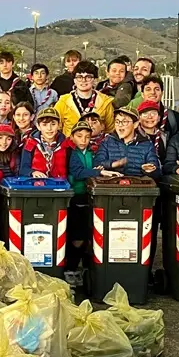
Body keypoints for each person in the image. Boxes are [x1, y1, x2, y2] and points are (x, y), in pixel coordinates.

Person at [64, 122, 100, 287]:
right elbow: (77, 172)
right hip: (76, 196)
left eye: (87, 137)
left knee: (89, 235)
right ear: (72, 137)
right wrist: (97, 171)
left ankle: (86, 268)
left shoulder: (93, 152)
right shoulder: (70, 152)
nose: (83, 140)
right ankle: (70, 268)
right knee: (76, 236)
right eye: (79, 136)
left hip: (91, 196)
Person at [96, 106, 161, 179]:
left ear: (135, 124)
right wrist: (114, 164)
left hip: (138, 184)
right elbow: (96, 164)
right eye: (117, 122)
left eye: (124, 122)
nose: (120, 125)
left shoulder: (147, 145)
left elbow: (157, 172)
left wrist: (149, 170)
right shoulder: (107, 142)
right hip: (111, 183)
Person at [55, 60, 114, 135]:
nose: (83, 80)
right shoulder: (64, 101)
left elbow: (110, 129)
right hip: (70, 141)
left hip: (99, 142)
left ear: (95, 79)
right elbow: (56, 128)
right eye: (79, 77)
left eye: (88, 77)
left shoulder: (105, 102)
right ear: (74, 80)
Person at [19, 109, 70, 179]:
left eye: (53, 124)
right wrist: (32, 172)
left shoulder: (66, 144)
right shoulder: (30, 144)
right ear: (38, 126)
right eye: (44, 125)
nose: (49, 128)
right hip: (37, 183)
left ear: (59, 125)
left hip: (60, 183)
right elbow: (23, 169)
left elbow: (71, 169)